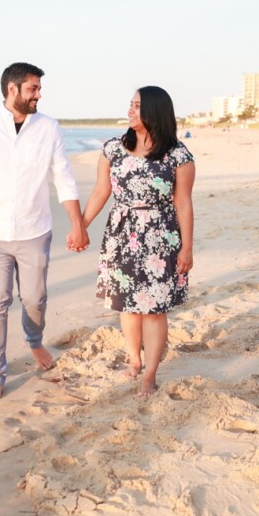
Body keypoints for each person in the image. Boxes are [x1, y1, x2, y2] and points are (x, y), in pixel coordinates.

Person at [0, 63, 89, 404]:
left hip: (35, 230)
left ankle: (34, 340)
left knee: (34, 299)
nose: (39, 95)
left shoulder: (48, 128)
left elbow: (64, 179)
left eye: (39, 88)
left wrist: (77, 224)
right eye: (33, 88)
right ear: (12, 90)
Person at [83, 87, 195, 395]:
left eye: (137, 106)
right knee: (127, 306)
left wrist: (187, 247)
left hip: (160, 236)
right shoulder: (113, 149)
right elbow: (99, 192)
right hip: (121, 235)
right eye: (130, 105)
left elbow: (183, 203)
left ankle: (150, 373)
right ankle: (134, 360)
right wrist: (80, 225)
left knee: (154, 309)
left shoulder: (178, 155)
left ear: (155, 112)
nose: (130, 111)